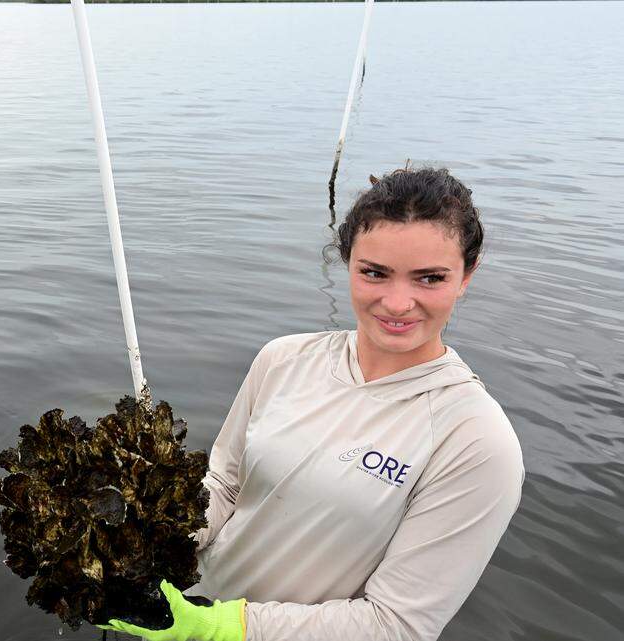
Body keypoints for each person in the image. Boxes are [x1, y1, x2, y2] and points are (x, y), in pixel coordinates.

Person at [103, 168, 524, 641]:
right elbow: (223, 483)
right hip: (178, 610)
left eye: (430, 278)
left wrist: (223, 628)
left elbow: (397, 625)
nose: (398, 302)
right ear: (347, 262)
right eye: (374, 273)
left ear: (467, 275)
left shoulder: (476, 439)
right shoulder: (283, 359)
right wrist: (141, 547)